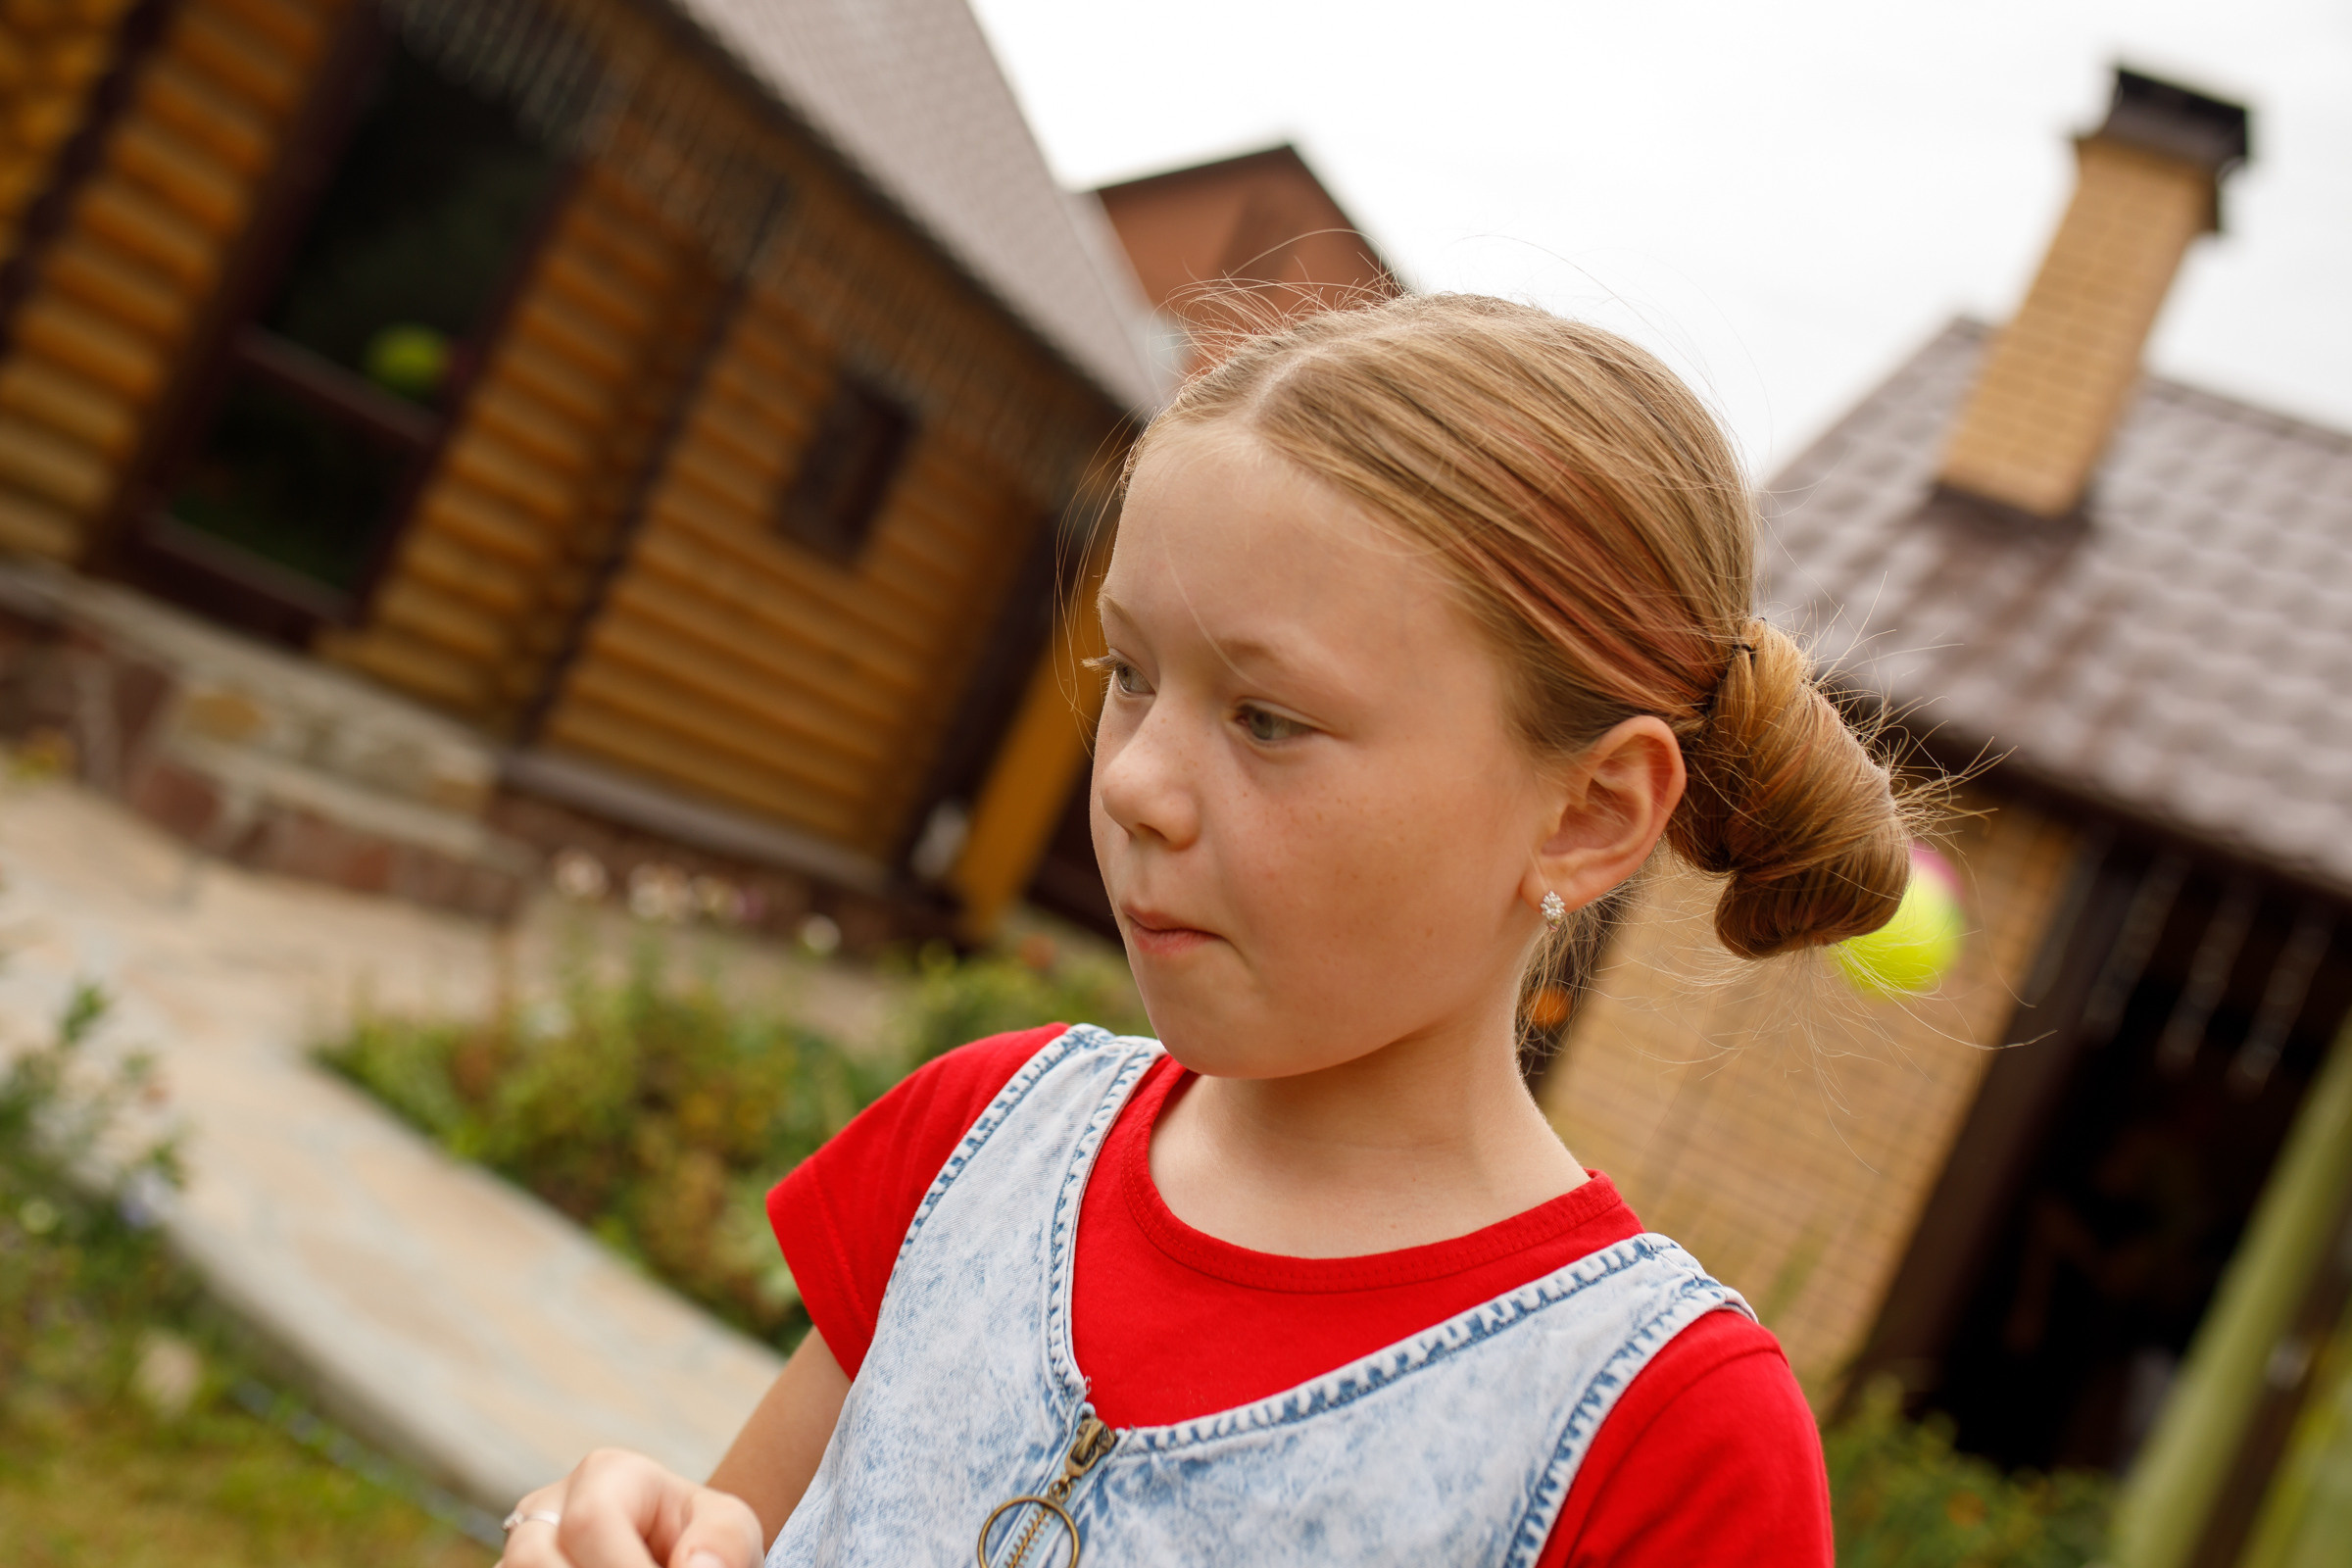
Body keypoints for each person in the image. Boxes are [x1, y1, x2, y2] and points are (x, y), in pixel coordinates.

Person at [496, 294, 1912, 1567]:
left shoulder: (1665, 1443)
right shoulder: (974, 1141)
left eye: (1268, 719)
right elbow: (745, 1523)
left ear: (1590, 815)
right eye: (1133, 674)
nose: (1130, 782)